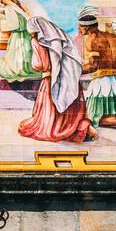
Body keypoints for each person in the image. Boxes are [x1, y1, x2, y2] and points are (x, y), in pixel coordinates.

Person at [17, 16, 94, 144]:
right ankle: (75, 127)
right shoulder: (60, 40)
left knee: (49, 112)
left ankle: (58, 128)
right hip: (68, 80)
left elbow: (38, 65)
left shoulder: (36, 42)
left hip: (48, 81)